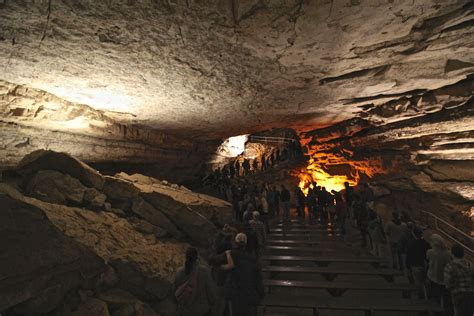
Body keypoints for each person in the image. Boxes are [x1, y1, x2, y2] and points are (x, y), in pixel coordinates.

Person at [222, 233, 265, 316]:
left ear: (235, 242)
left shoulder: (230, 255)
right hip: (249, 294)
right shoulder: (252, 259)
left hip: (235, 294)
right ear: (245, 243)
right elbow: (258, 279)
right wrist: (261, 293)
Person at [174, 247, 217, 316]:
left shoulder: (179, 272)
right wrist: (213, 303)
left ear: (185, 257)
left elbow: (176, 290)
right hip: (201, 310)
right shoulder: (204, 271)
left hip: (185, 310)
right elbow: (210, 291)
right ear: (197, 258)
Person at [444, 244, 474, 316]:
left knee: (459, 312)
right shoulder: (470, 264)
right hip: (471, 293)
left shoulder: (449, 266)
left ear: (452, 253)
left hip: (458, 294)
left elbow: (447, 284)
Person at [427, 234, 452, 305]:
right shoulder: (448, 253)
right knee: (445, 297)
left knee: (435, 295)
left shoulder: (430, 252)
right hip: (444, 278)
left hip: (433, 276)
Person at [406, 228, 431, 297]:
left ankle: (420, 296)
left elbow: (408, 255)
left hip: (415, 264)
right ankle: (426, 295)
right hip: (425, 264)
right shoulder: (426, 243)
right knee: (425, 282)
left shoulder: (410, 243)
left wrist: (408, 266)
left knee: (418, 281)